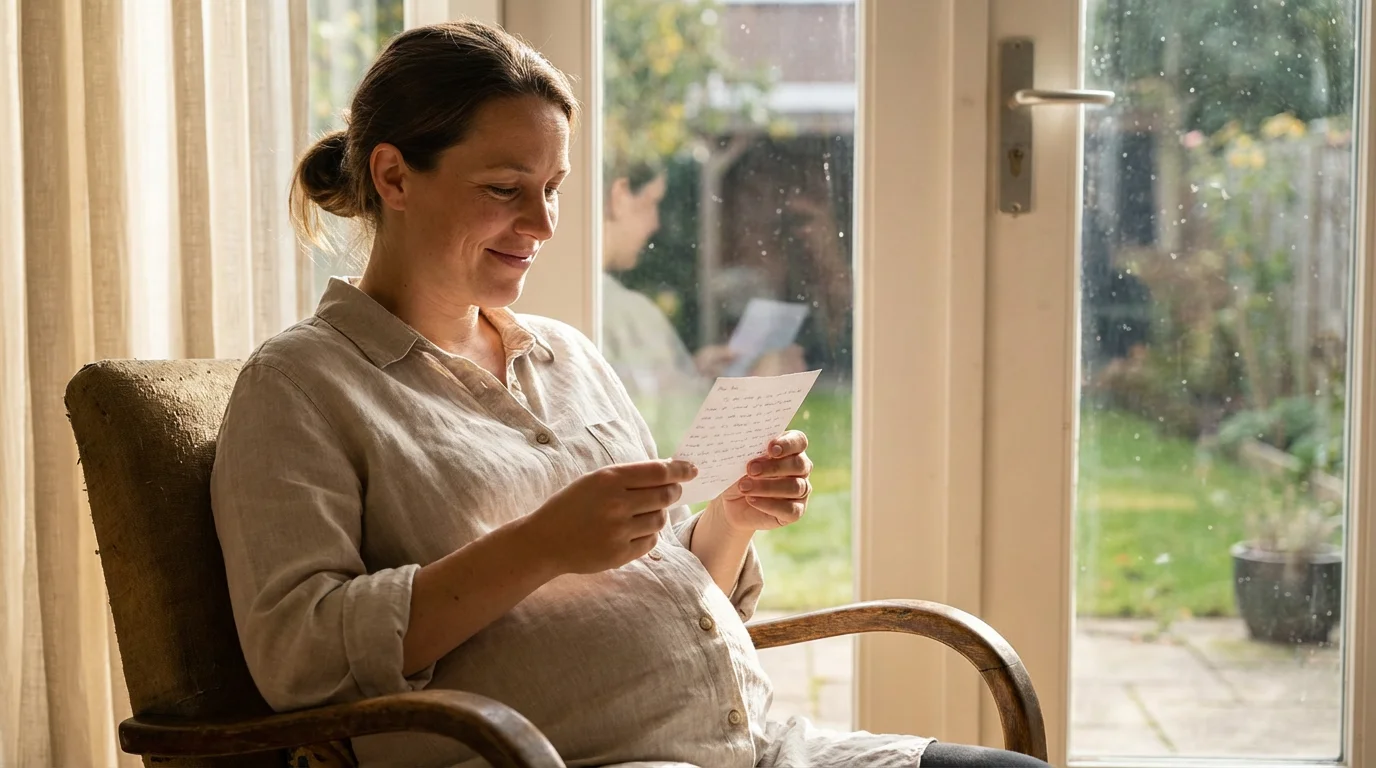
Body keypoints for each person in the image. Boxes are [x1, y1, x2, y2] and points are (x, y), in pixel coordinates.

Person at [209, 20, 1051, 768]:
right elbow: (300, 657)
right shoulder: (302, 387)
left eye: (554, 189)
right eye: (506, 189)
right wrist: (541, 545)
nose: (542, 226)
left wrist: (730, 521)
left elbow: (663, 587)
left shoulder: (568, 355)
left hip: (759, 745)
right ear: (393, 176)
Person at [599, 163, 804, 453]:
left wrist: (690, 372)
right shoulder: (624, 312)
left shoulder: (594, 303)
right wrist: (759, 392)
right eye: (652, 202)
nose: (655, 223)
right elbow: (681, 450)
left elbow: (630, 387)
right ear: (619, 196)